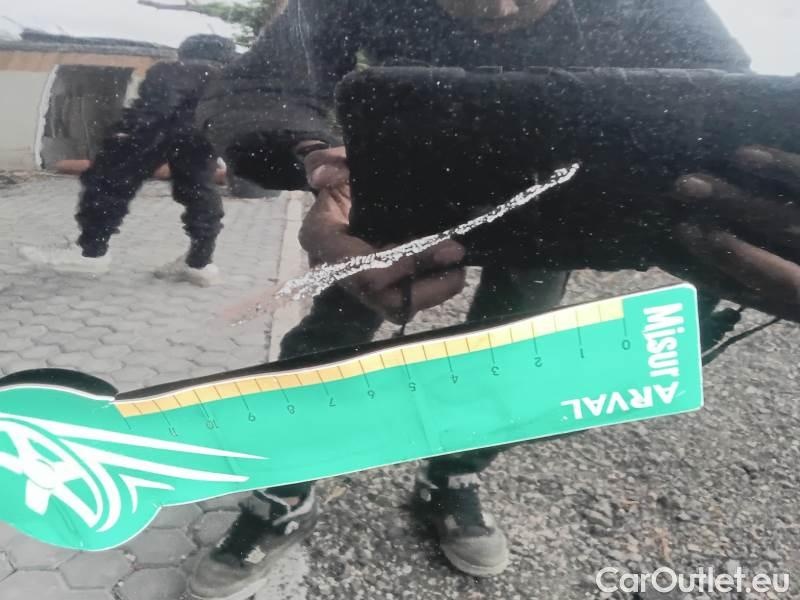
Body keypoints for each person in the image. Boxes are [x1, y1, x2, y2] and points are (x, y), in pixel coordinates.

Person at [189, 2, 800, 598]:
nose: (498, 9)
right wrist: (314, 158)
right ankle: (285, 487)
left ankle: (454, 473)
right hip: (392, 207)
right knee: (329, 340)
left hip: (549, 218)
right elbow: (262, 86)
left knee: (511, 352)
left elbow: (723, 111)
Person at [20, 34, 237, 287]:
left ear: (185, 51)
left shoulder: (172, 69)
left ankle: (91, 253)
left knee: (107, 184)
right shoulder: (230, 80)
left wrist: (127, 131)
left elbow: (158, 106)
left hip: (155, 134)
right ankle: (200, 263)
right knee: (200, 192)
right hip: (201, 139)